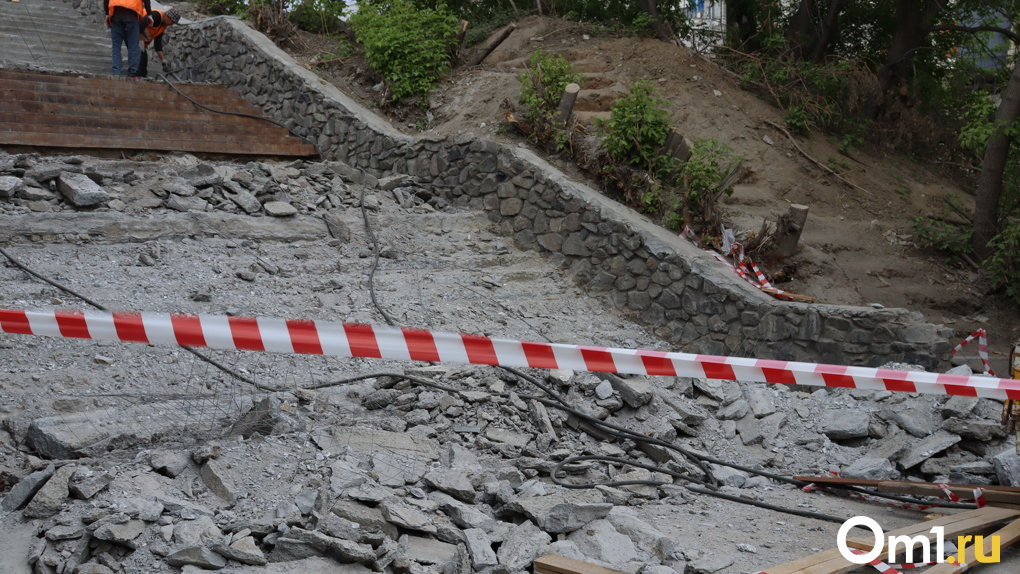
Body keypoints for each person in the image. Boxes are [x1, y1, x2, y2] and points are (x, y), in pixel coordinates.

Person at [104, 0, 151, 77]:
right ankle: (133, 72)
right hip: (132, 11)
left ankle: (116, 71)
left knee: (116, 45)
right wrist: (149, 14)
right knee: (133, 44)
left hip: (116, 11)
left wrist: (106, 13)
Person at [138, 8, 180, 77]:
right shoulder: (156, 16)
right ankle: (137, 79)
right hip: (132, 32)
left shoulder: (163, 25)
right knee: (141, 59)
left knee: (143, 61)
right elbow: (141, 24)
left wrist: (163, 61)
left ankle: (141, 79)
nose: (171, 24)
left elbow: (157, 44)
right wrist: (142, 39)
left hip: (140, 38)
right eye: (172, 22)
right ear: (168, 17)